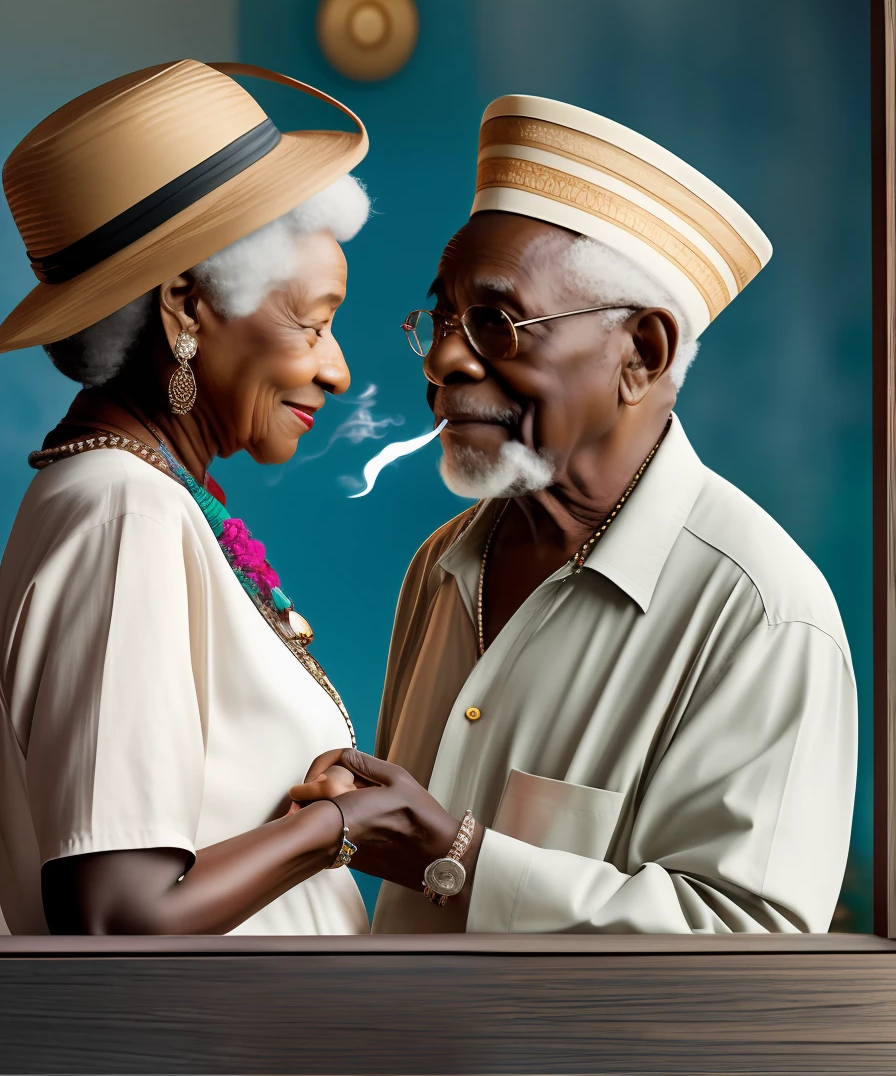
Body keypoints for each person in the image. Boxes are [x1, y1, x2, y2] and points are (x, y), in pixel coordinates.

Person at [296, 94, 859, 935]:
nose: (447, 357)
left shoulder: (763, 612)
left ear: (643, 354)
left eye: (494, 321)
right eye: (443, 319)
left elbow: (748, 951)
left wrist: (457, 853)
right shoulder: (443, 565)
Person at [0, 58, 381, 936]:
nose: (337, 367)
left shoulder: (139, 496)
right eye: (313, 323)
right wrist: (339, 824)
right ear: (187, 304)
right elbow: (120, 919)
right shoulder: (122, 513)